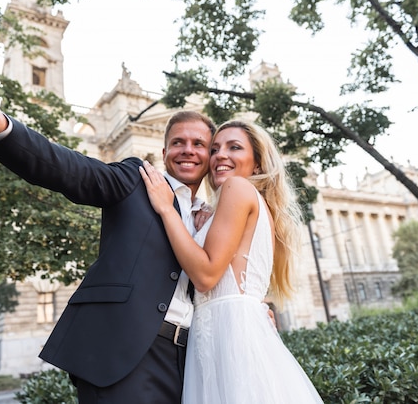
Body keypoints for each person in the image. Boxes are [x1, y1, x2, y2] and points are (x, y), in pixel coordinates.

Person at [0, 61, 217, 404]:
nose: (188, 149)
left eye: (199, 143)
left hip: (191, 360)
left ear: (211, 155)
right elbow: (68, 170)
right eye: (178, 142)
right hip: (125, 356)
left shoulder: (212, 216)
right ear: (164, 151)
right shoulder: (134, 180)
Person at [139, 120, 324, 403]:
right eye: (215, 149)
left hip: (229, 330)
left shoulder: (237, 187)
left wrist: (166, 209)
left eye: (234, 147)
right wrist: (200, 229)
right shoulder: (249, 202)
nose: (220, 155)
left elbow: (206, 275)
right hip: (228, 326)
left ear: (258, 164)